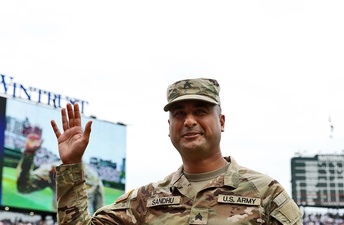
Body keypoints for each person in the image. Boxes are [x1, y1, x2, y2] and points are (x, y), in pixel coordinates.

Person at [51, 78, 303, 224]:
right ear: (169, 126)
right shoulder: (145, 200)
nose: (189, 121)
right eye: (179, 114)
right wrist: (72, 166)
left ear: (222, 122)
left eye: (201, 111)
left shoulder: (266, 194)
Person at [16, 131, 104, 214]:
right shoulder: (53, 170)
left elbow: (99, 214)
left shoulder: (93, 178)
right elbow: (23, 187)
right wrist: (29, 154)